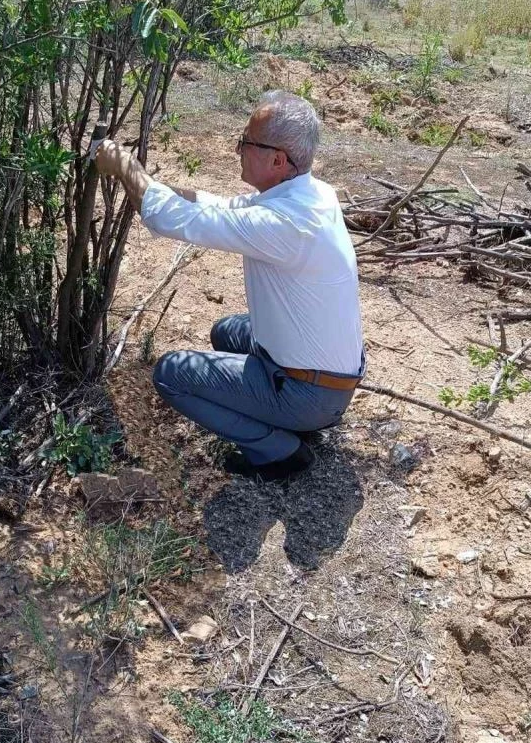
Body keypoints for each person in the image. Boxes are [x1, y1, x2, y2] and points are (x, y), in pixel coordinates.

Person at [95, 89, 364, 482]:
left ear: (277, 159)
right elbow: (216, 206)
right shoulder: (309, 194)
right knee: (226, 331)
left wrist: (124, 166)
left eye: (247, 141)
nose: (237, 147)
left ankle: (280, 451)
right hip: (325, 377)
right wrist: (147, 181)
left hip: (312, 393)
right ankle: (286, 417)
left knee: (171, 373)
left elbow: (173, 220)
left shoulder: (283, 225)